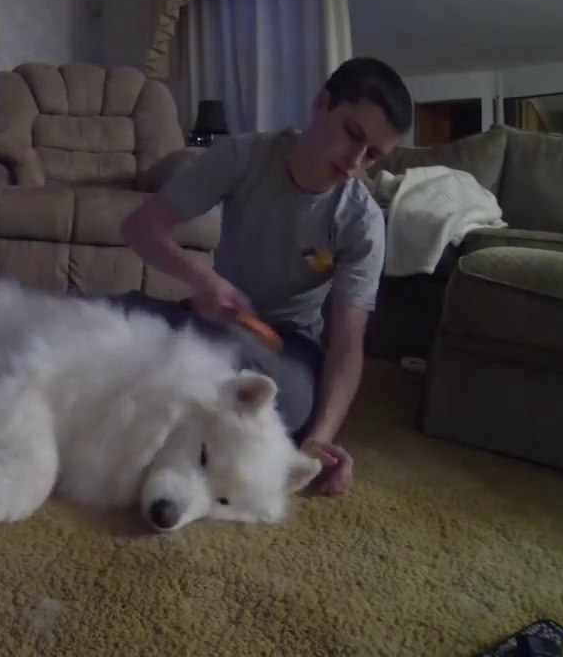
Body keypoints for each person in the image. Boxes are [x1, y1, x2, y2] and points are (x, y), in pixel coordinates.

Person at [118, 56, 412, 498]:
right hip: (213, 320)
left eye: (372, 153)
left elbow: (348, 345)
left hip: (286, 348)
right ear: (322, 104)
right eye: (353, 134)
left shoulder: (362, 222)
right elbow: (140, 228)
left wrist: (321, 438)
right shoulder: (244, 155)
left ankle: (163, 396)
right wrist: (204, 281)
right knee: (112, 314)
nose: (355, 161)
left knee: (289, 401)